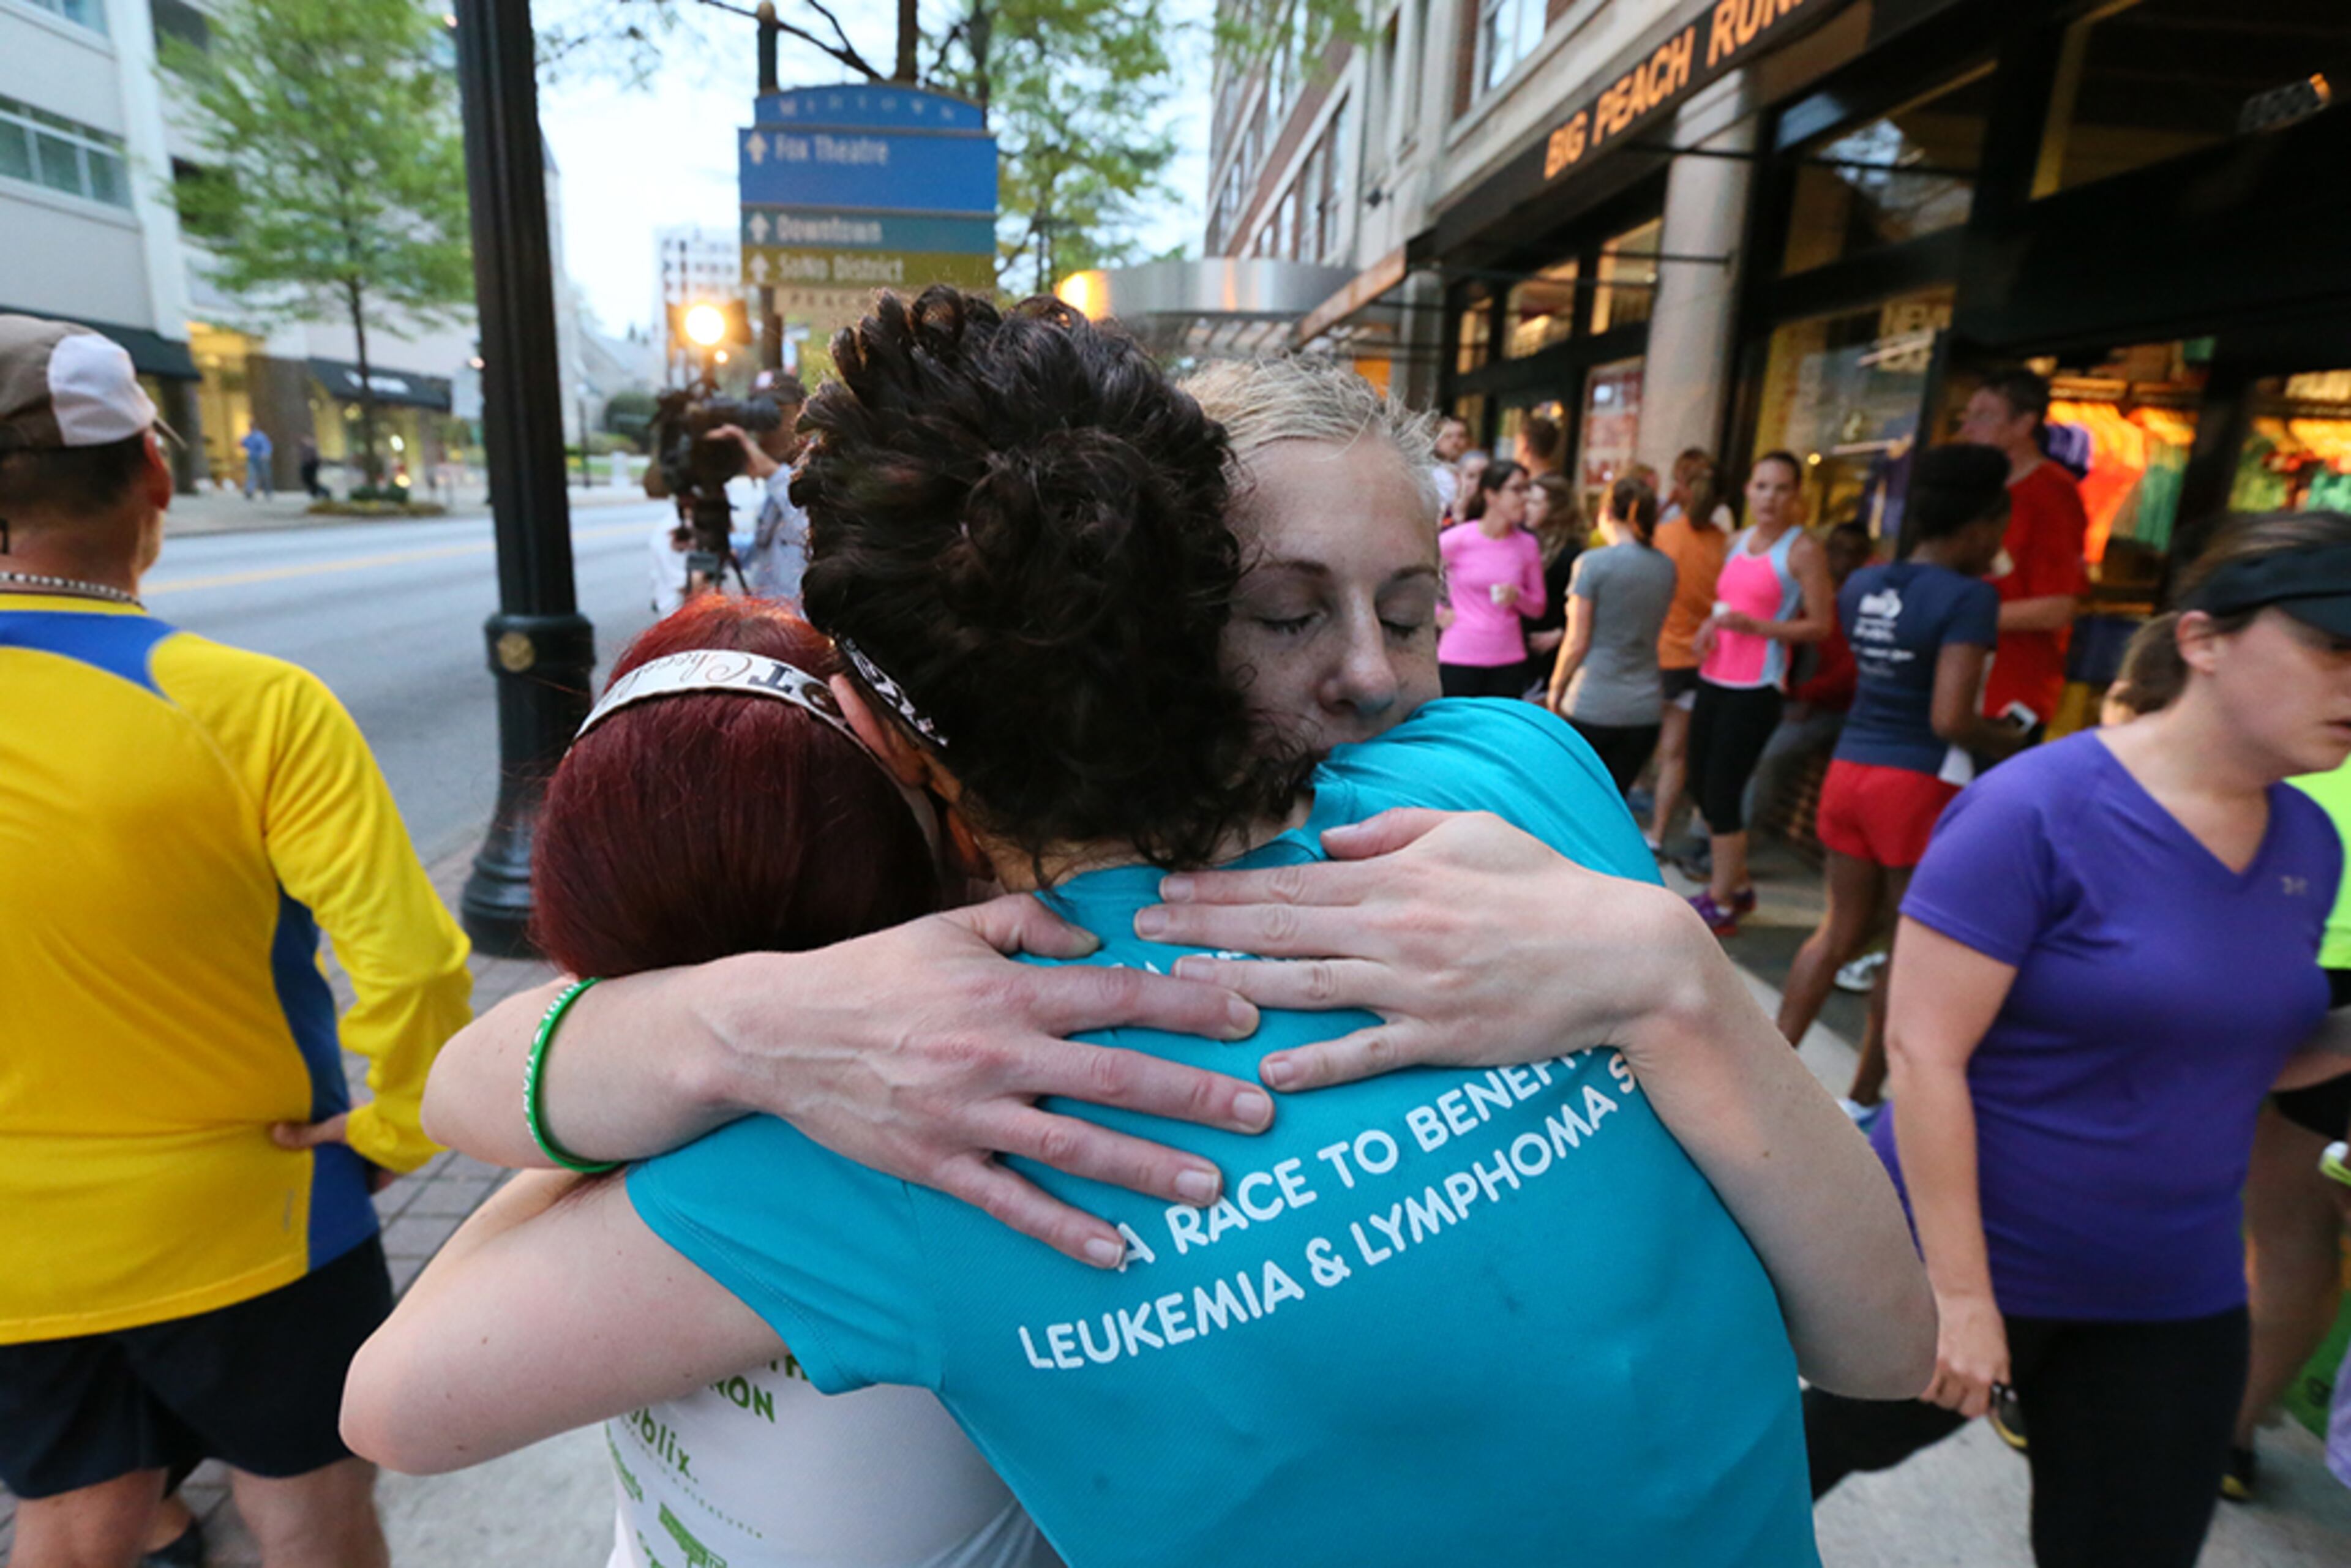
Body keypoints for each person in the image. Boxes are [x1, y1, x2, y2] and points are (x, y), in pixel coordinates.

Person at [345, 294, 1932, 1566]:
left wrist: (727, 1021)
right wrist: (1679, 982)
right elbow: (1883, 1345)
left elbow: (399, 1400)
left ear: (897, 746)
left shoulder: (922, 1111)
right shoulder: (1507, 777)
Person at [0, 317, 472, 1568]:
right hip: (250, 1212)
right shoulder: (252, 706)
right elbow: (414, 961)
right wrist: (399, 1120)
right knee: (305, 1506)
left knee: (73, 1516)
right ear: (156, 473)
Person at [1804, 511, 2351, 1567]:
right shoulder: (2036, 809)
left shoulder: (2308, 842)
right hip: (1962, 1262)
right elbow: (1924, 1057)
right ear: (2202, 639)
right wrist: (1961, 1300)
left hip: (2169, 1291)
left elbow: (2232, 1051)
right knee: (1764, 1469)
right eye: (2333, 649)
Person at [1771, 448, 2027, 1103]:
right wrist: (2009, 736)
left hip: (1850, 769)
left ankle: (1762, 1079)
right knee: (1904, 941)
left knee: (1836, 932)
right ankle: (1860, 1098)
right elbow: (1949, 718)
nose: (1998, 542)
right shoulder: (1972, 598)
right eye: (1998, 526)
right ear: (1977, 524)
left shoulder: (1865, 584)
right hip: (1917, 783)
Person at [2232, 749, 2351, 1500]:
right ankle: (2224, 1433)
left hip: (2271, 909)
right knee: (2291, 1215)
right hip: (2277, 906)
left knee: (2287, 1214)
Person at [1684, 452, 1835, 934]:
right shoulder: (1736, 541)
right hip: (1714, 674)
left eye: (1782, 488)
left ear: (1797, 496)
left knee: (1725, 792)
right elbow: (1730, 602)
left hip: (1757, 686)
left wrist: (1759, 627)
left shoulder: (1803, 550)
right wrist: (1711, 624)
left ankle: (1723, 899)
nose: (1770, 497)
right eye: (1763, 486)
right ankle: (1739, 881)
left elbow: (1822, 624)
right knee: (1700, 785)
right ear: (1748, 490)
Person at [1956, 368, 2089, 730]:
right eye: (1967, 417)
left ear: (2024, 424)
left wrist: (1958, 615)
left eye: (1984, 417)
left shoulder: (2053, 494)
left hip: (2009, 694)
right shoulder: (1977, 490)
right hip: (1958, 683)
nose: (1969, 428)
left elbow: (2058, 608)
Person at [1546, 476, 1673, 793]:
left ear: (1606, 513)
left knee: (1576, 800)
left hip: (1592, 701)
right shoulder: (1666, 567)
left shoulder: (1592, 564)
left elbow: (1577, 641)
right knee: (1617, 803)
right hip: (1645, 706)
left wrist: (1556, 688)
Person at [1742, 520, 1869, 830]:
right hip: (1790, 693)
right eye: (1835, 550)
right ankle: (1712, 834)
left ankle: (1738, 842)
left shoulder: (1864, 602)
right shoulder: (1813, 591)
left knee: (1769, 757)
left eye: (1851, 553)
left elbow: (1850, 674)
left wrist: (1804, 696)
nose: (1841, 559)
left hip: (1832, 707)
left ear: (1865, 557)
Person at [1649, 448, 1733, 852]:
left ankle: (1642, 823)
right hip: (1704, 658)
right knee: (1675, 754)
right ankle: (1661, 831)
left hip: (1661, 654)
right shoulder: (1728, 546)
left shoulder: (1663, 537)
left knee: (1649, 746)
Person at [1436, 458, 1545, 697]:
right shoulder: (1459, 538)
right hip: (1460, 654)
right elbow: (1418, 573)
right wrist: (1437, 612)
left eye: (1527, 489)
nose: (1525, 497)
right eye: (1517, 489)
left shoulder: (1527, 544)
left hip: (1509, 657)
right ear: (1491, 495)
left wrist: (1518, 597)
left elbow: (1538, 607)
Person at [712, 371, 812, 606]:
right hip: (771, 624)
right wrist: (722, 539)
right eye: (757, 416)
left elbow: (812, 533)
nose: (764, 431)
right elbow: (772, 549)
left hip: (805, 634)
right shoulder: (781, 474)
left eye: (775, 414)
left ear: (803, 412)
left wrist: (772, 474)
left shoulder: (828, 467)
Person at [1519, 470, 1583, 676]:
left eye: (1535, 503)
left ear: (1556, 509)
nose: (1526, 508)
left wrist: (1560, 633)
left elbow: (1582, 602)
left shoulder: (1571, 552)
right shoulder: (1521, 540)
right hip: (1520, 646)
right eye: (1526, 501)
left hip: (1552, 647)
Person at [1430, 414, 1468, 516]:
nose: (1455, 441)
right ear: (1437, 441)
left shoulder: (1476, 471)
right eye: (1448, 436)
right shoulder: (1428, 474)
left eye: (1461, 436)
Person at [1513, 411, 1563, 480]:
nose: (1515, 449)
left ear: (1525, 445)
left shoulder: (1530, 489)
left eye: (1517, 442)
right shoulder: (1560, 484)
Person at [239, 422, 272, 500]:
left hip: (261, 459)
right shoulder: (249, 437)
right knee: (252, 475)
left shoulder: (260, 436)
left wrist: (265, 454)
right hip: (253, 459)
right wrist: (242, 441)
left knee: (264, 476)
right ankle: (250, 491)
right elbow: (244, 444)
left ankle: (267, 492)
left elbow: (266, 446)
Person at [298, 436, 325, 501]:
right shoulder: (303, 448)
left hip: (311, 465)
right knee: (307, 480)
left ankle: (320, 492)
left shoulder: (311, 448)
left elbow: (315, 458)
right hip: (307, 465)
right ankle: (314, 493)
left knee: (312, 480)